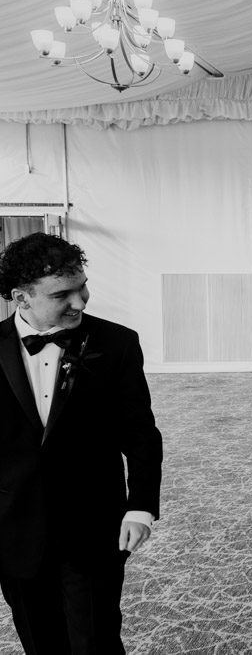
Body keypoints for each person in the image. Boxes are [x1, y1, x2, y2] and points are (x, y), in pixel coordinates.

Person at [0, 232, 163, 654]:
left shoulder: (117, 343)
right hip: (14, 528)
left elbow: (140, 431)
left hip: (93, 522)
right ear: (22, 297)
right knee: (40, 640)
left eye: (83, 286)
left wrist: (141, 505)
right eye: (63, 294)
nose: (81, 301)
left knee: (96, 639)